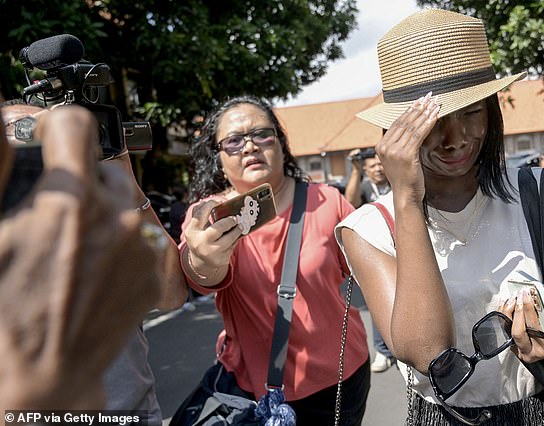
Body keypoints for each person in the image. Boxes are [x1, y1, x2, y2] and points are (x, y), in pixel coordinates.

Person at [335, 9, 544, 425]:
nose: (455, 138)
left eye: (470, 112)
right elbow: (427, 353)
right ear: (396, 129)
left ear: (492, 111)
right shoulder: (370, 228)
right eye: (431, 123)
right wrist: (407, 199)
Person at [178, 96, 370, 425]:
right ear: (220, 160)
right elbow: (198, 275)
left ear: (281, 146)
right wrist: (204, 262)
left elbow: (374, 264)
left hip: (339, 379)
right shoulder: (206, 217)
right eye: (234, 141)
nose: (250, 146)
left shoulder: (327, 201)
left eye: (262, 134)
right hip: (252, 388)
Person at [1, 101, 188, 424]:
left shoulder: (100, 229)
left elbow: (171, 294)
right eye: (18, 130)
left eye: (38, 130)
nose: (30, 141)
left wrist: (127, 182)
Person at [344, 147, 396, 373]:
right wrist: (355, 172)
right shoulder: (365, 187)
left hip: (401, 247)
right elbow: (350, 202)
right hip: (376, 251)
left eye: (380, 164)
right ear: (366, 169)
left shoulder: (396, 181)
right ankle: (383, 351)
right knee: (380, 301)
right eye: (372, 165)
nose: (377, 168)